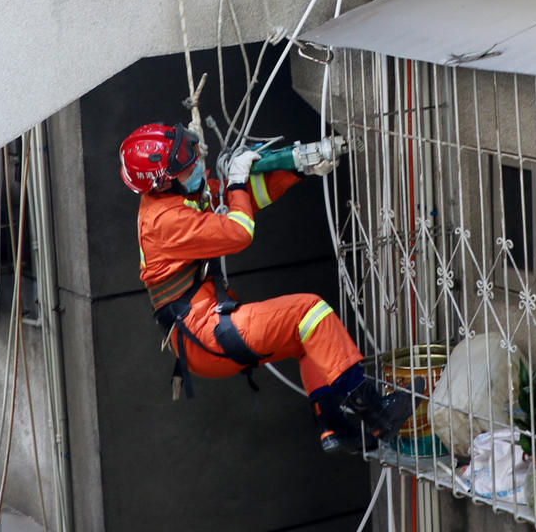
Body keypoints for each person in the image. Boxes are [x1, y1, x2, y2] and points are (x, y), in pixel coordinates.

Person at [120, 122, 410, 453]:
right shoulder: (164, 221)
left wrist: (299, 170)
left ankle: (334, 427)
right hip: (203, 333)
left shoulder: (175, 199)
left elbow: (237, 199)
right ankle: (376, 412)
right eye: (187, 166)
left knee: (310, 340)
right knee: (309, 312)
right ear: (162, 182)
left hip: (201, 328)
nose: (197, 165)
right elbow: (238, 230)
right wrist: (239, 180)